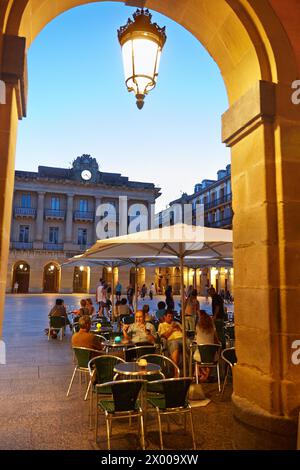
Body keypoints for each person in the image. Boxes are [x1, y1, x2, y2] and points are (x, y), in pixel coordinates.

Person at [193, 310, 218, 381]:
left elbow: (197, 340)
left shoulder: (198, 327)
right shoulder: (212, 328)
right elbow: (217, 342)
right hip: (212, 357)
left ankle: (199, 375)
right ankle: (206, 375)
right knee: (211, 355)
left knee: (198, 354)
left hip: (200, 356)